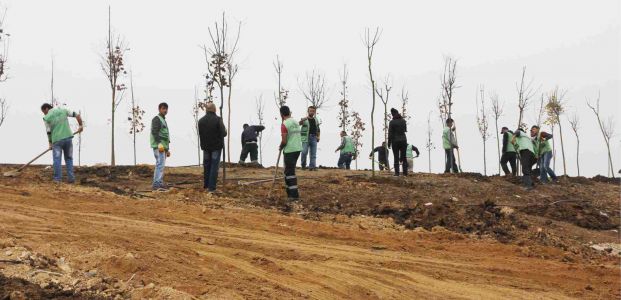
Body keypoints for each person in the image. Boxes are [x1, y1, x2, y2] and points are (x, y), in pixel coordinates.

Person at [41, 103, 83, 183]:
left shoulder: (46, 118)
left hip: (56, 141)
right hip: (68, 138)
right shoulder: (63, 110)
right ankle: (71, 179)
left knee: (57, 160)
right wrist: (80, 125)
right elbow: (77, 115)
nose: (44, 114)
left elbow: (49, 132)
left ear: (46, 109)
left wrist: (50, 143)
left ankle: (57, 180)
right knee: (69, 159)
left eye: (44, 112)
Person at [198, 102, 227, 193]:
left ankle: (206, 185)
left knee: (207, 166)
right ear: (214, 110)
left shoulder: (200, 121)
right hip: (216, 147)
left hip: (205, 147)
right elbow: (224, 133)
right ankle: (212, 188)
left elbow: (201, 134)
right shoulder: (218, 119)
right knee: (214, 166)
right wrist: (224, 129)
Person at [280, 105, 302, 199]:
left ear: (281, 114)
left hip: (289, 150)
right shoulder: (295, 122)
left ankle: (293, 196)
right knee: (289, 171)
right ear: (289, 112)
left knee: (289, 173)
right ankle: (290, 194)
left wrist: (281, 146)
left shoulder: (284, 124)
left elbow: (284, 141)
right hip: (297, 149)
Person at [150, 102, 171, 190]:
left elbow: (165, 135)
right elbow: (154, 132)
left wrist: (167, 149)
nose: (165, 110)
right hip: (159, 146)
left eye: (166, 109)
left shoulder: (163, 120)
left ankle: (158, 182)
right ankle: (157, 184)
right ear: (159, 109)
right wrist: (159, 144)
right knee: (160, 164)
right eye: (163, 108)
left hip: (163, 147)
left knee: (160, 165)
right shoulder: (157, 119)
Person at [299, 106, 320, 171]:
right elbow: (299, 123)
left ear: (315, 112)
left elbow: (318, 129)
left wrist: (318, 136)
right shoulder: (304, 119)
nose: (312, 112)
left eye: (313, 111)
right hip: (306, 137)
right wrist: (304, 119)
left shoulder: (316, 119)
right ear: (308, 111)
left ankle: (312, 167)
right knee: (304, 151)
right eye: (310, 111)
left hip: (314, 137)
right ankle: (303, 165)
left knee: (313, 153)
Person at [388, 108, 408, 176]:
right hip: (403, 140)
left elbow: (390, 134)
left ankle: (397, 173)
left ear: (393, 114)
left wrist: (389, 143)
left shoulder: (392, 122)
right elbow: (405, 130)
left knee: (396, 157)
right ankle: (405, 173)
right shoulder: (403, 121)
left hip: (395, 141)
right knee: (404, 156)